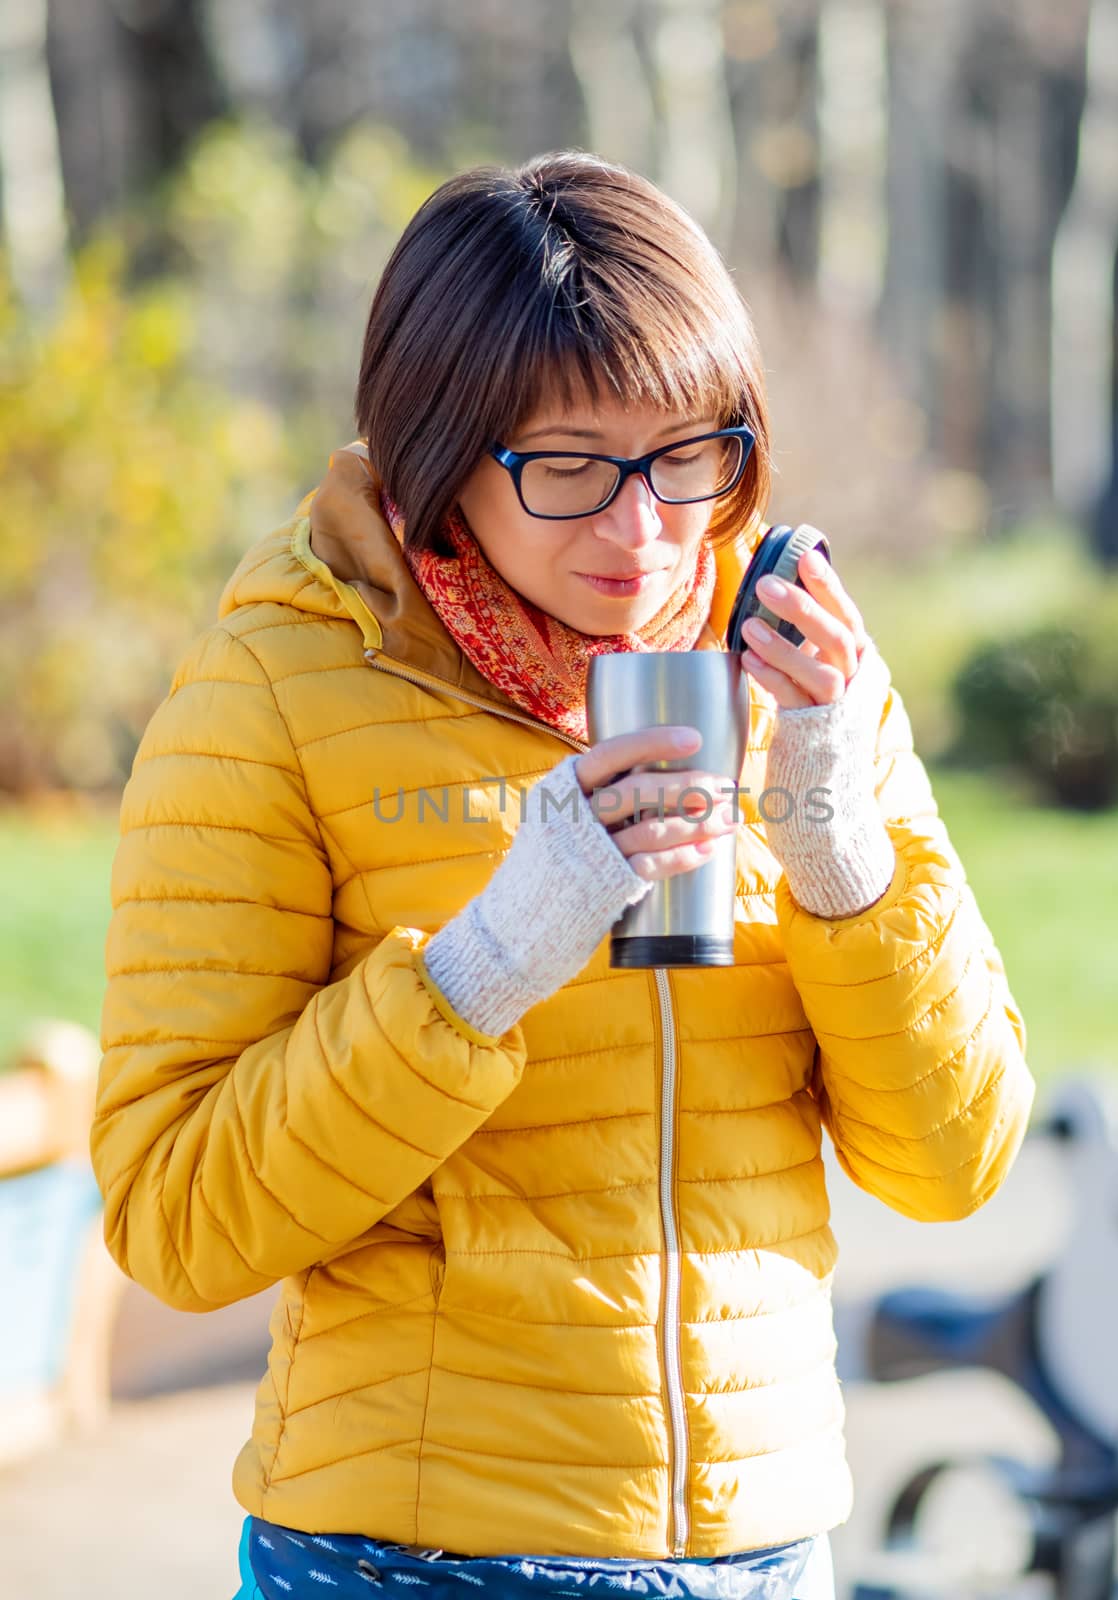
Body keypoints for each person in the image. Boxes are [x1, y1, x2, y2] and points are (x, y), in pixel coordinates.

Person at [90, 152, 1035, 1600]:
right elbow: (176, 1219)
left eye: (686, 456)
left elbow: (954, 1163)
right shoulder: (275, 690)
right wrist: (492, 957)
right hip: (415, 1557)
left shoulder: (796, 664)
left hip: (765, 1549)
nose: (641, 531)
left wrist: (838, 850)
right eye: (572, 466)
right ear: (436, 451)